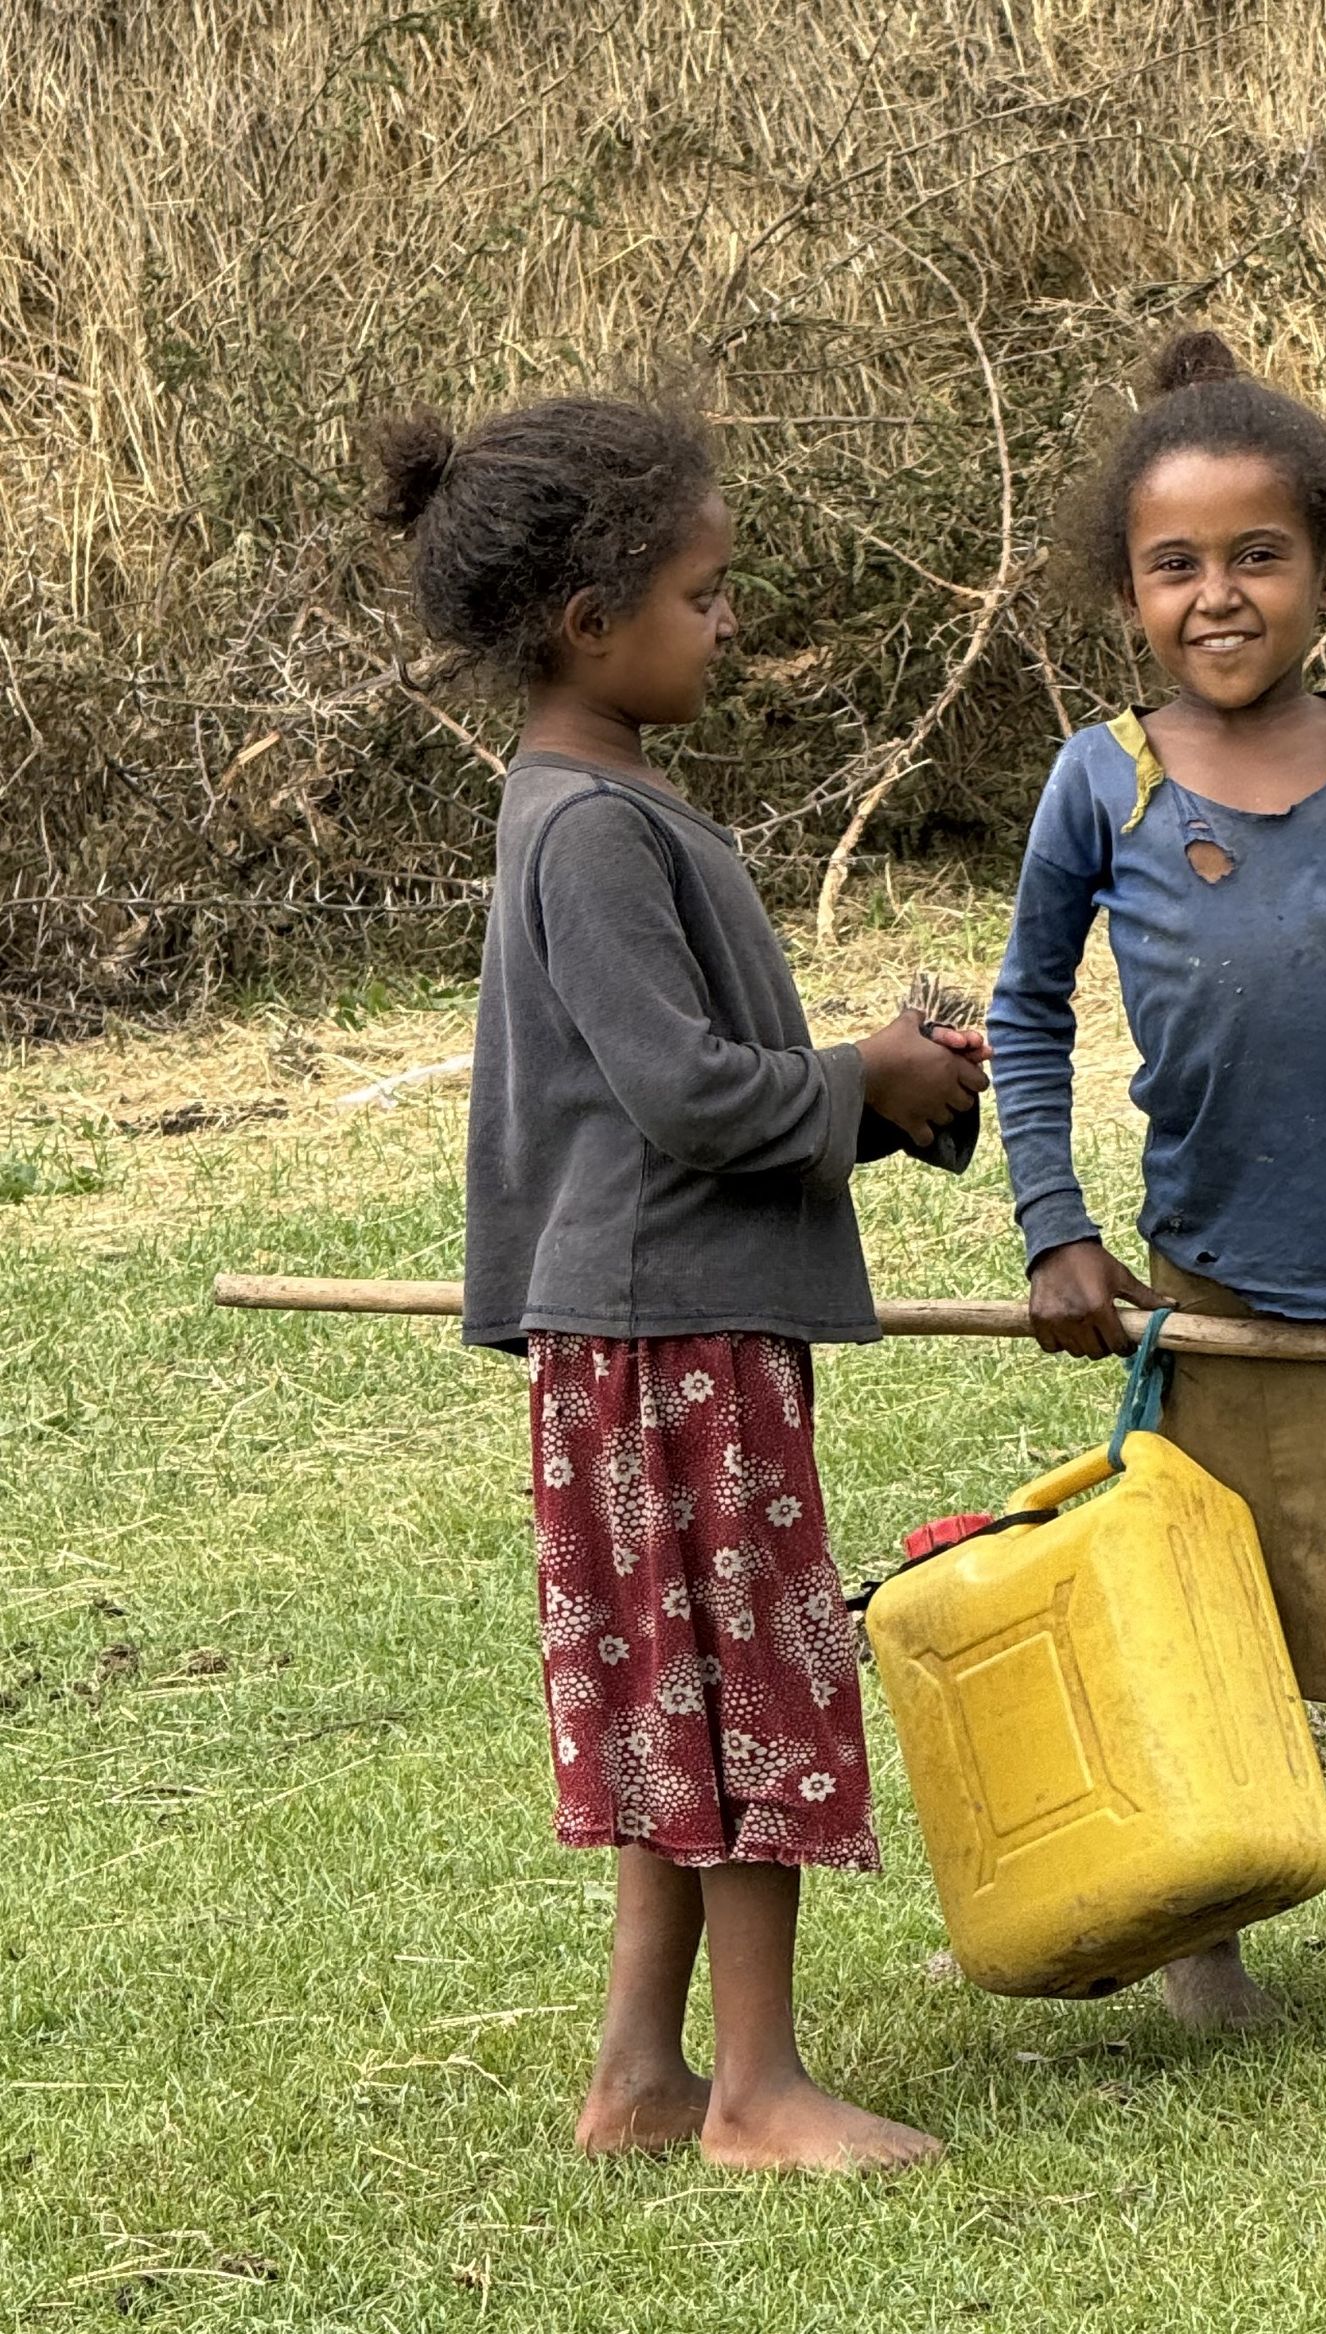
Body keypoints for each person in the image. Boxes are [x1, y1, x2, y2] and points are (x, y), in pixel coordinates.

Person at [371, 393, 985, 2170]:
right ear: (592, 621)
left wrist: (894, 1095)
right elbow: (691, 1093)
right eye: (704, 596)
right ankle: (755, 2090)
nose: (726, 627)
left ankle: (641, 2073)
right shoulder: (588, 830)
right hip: (674, 1340)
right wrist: (853, 1071)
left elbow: (688, 1105)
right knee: (742, 1686)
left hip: (654, 1318)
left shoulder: (597, 805)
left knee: (676, 1696)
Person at [986, 332, 1326, 2029]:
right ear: (1127, 594)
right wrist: (1057, 1231)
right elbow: (1023, 1012)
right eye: (1177, 566)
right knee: (1209, 1624)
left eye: (1258, 556)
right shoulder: (1103, 780)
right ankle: (1207, 1937)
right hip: (1203, 1300)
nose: (1218, 596)